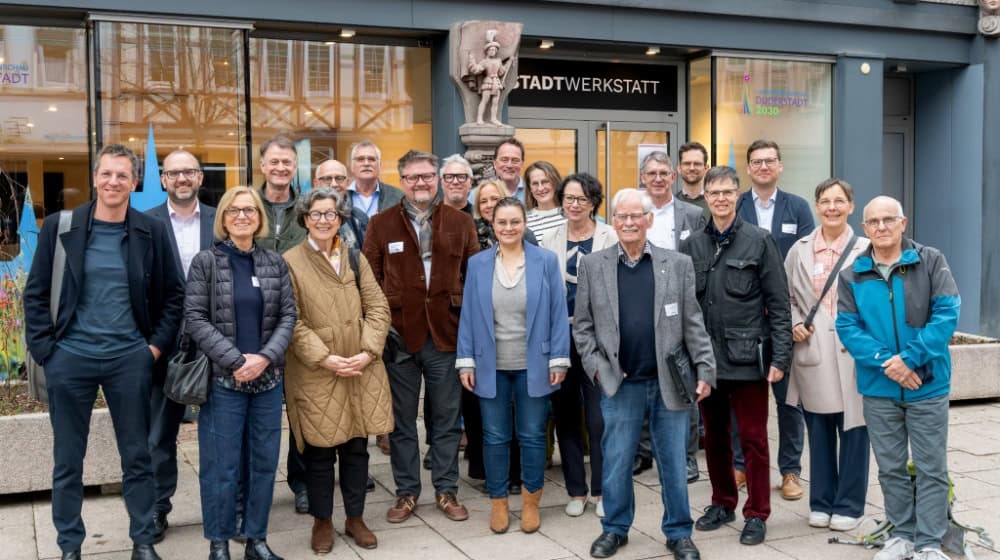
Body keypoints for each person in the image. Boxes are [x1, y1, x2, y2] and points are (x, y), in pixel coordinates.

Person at [24, 144, 185, 560]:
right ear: (95, 178)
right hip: (70, 359)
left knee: (138, 455)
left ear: (135, 183)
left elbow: (173, 297)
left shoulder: (151, 231)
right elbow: (36, 293)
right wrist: (47, 353)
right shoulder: (62, 227)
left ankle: (143, 540)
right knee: (67, 461)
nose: (113, 182)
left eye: (122, 175)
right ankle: (69, 546)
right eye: (106, 174)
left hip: (128, 360)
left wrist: (151, 349)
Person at [574, 188, 716, 560]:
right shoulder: (593, 264)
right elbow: (583, 326)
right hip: (619, 385)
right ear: (614, 222)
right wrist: (595, 368)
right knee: (618, 459)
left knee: (672, 461)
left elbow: (693, 323)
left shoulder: (677, 264)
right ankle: (615, 529)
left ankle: (679, 532)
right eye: (622, 216)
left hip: (669, 382)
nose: (629, 222)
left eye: (637, 216)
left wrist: (705, 368)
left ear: (649, 220)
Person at [836, 196, 960, 560]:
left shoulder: (930, 261)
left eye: (889, 220)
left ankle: (930, 542)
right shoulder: (853, 273)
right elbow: (847, 326)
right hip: (879, 388)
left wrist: (909, 360)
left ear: (903, 222)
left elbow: (947, 314)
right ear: (865, 229)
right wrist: (888, 363)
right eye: (873, 222)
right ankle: (902, 535)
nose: (882, 227)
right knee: (890, 467)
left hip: (927, 384)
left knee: (931, 467)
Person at [362, 149, 479, 524]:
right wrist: (378, 331)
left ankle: (446, 490)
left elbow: (473, 277)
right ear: (402, 181)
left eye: (427, 175)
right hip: (399, 336)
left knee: (446, 420)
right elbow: (369, 281)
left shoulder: (461, 222)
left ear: (437, 178)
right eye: (412, 177)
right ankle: (407, 492)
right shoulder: (381, 224)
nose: (421, 183)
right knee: (400, 421)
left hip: (447, 334)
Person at [185, 186, 296, 560]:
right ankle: (219, 542)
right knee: (221, 467)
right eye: (234, 210)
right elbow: (196, 320)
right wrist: (236, 361)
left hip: (267, 382)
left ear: (260, 217)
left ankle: (256, 540)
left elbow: (288, 316)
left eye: (249, 210)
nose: (243, 216)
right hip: (223, 382)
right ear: (224, 218)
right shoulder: (206, 262)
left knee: (263, 464)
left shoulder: (274, 263)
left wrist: (264, 358)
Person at [682, 166, 792, 546]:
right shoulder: (693, 244)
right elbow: (685, 308)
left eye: (728, 192)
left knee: (753, 438)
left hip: (747, 358)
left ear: (738, 195)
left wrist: (781, 358)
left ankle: (757, 512)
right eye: (714, 193)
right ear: (707, 197)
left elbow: (779, 304)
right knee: (713, 438)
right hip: (707, 361)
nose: (721, 199)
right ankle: (723, 501)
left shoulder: (760, 241)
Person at [283, 188, 393, 553]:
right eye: (316, 214)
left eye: (330, 214)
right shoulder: (290, 262)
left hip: (360, 366)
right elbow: (291, 321)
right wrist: (324, 357)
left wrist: (367, 351)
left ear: (341, 219)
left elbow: (378, 307)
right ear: (304, 218)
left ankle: (356, 518)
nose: (323, 220)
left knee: (357, 448)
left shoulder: (355, 257)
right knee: (318, 452)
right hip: (318, 370)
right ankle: (322, 521)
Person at [456, 197, 571, 534]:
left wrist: (559, 359)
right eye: (502, 222)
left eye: (514, 222)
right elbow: (468, 317)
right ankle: (499, 503)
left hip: (534, 364)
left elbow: (558, 314)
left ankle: (531, 502)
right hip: (490, 365)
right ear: (493, 225)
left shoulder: (545, 261)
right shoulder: (477, 264)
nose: (508, 228)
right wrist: (466, 361)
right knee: (494, 437)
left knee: (533, 436)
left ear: (525, 224)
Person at [785, 178, 871, 532]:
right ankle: (821, 501)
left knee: (854, 429)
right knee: (819, 429)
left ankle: (850, 505)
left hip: (856, 350)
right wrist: (794, 324)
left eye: (839, 201)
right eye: (825, 201)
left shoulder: (867, 248)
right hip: (813, 348)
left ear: (851, 206)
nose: (832, 207)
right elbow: (786, 298)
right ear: (816, 206)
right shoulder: (799, 249)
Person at [734, 139, 814, 500]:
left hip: (785, 319)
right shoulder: (734, 206)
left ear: (780, 166)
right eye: (757, 161)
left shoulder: (797, 208)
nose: (764, 166)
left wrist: (799, 316)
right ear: (748, 168)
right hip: (745, 320)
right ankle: (740, 465)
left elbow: (808, 267)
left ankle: (791, 471)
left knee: (788, 400)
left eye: (770, 161)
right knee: (743, 399)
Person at [145, 149, 217, 544]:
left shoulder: (220, 219)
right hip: (164, 344)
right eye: (174, 173)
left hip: (216, 342)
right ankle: (158, 507)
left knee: (219, 430)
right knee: (159, 433)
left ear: (200, 177)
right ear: (164, 178)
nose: (182, 178)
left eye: (189, 171)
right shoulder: (145, 222)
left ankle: (224, 506)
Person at [540, 173, 617, 519]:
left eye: (582, 199)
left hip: (598, 339)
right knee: (566, 415)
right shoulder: (549, 239)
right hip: (560, 338)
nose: (574, 205)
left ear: (593, 203)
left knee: (601, 419)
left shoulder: (609, 237)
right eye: (569, 198)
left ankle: (601, 490)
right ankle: (575, 489)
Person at [633, 150, 706, 482]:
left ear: (673, 177)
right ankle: (644, 451)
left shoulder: (692, 214)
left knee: (681, 381)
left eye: (664, 173)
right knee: (641, 378)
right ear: (643, 178)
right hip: (639, 304)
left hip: (680, 307)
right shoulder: (633, 210)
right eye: (652, 173)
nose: (658, 178)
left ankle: (686, 455)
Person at [257, 135, 307, 253]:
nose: (280, 168)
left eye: (286, 162)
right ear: (263, 166)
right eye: (274, 162)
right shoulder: (248, 205)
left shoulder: (307, 207)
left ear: (294, 167)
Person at [314, 159, 368, 249]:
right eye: (327, 179)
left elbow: (367, 256)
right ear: (316, 183)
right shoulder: (305, 216)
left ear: (347, 183)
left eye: (339, 178)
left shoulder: (359, 217)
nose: (334, 184)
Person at [474, 179, 537, 249]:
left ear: (506, 200)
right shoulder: (472, 234)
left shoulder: (523, 234)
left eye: (494, 199)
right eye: (483, 201)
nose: (489, 205)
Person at [347, 141, 404, 217]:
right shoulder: (341, 197)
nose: (366, 163)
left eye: (371, 159)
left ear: (380, 165)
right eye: (360, 159)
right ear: (352, 166)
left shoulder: (398, 197)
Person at [524, 160, 566, 243]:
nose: (540, 188)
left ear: (555, 182)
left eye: (545, 182)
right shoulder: (524, 221)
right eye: (535, 183)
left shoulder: (571, 215)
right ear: (530, 189)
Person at [676, 142, 710, 214]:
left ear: (706, 168)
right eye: (687, 164)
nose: (692, 168)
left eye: (697, 164)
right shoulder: (672, 204)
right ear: (679, 168)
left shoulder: (716, 203)